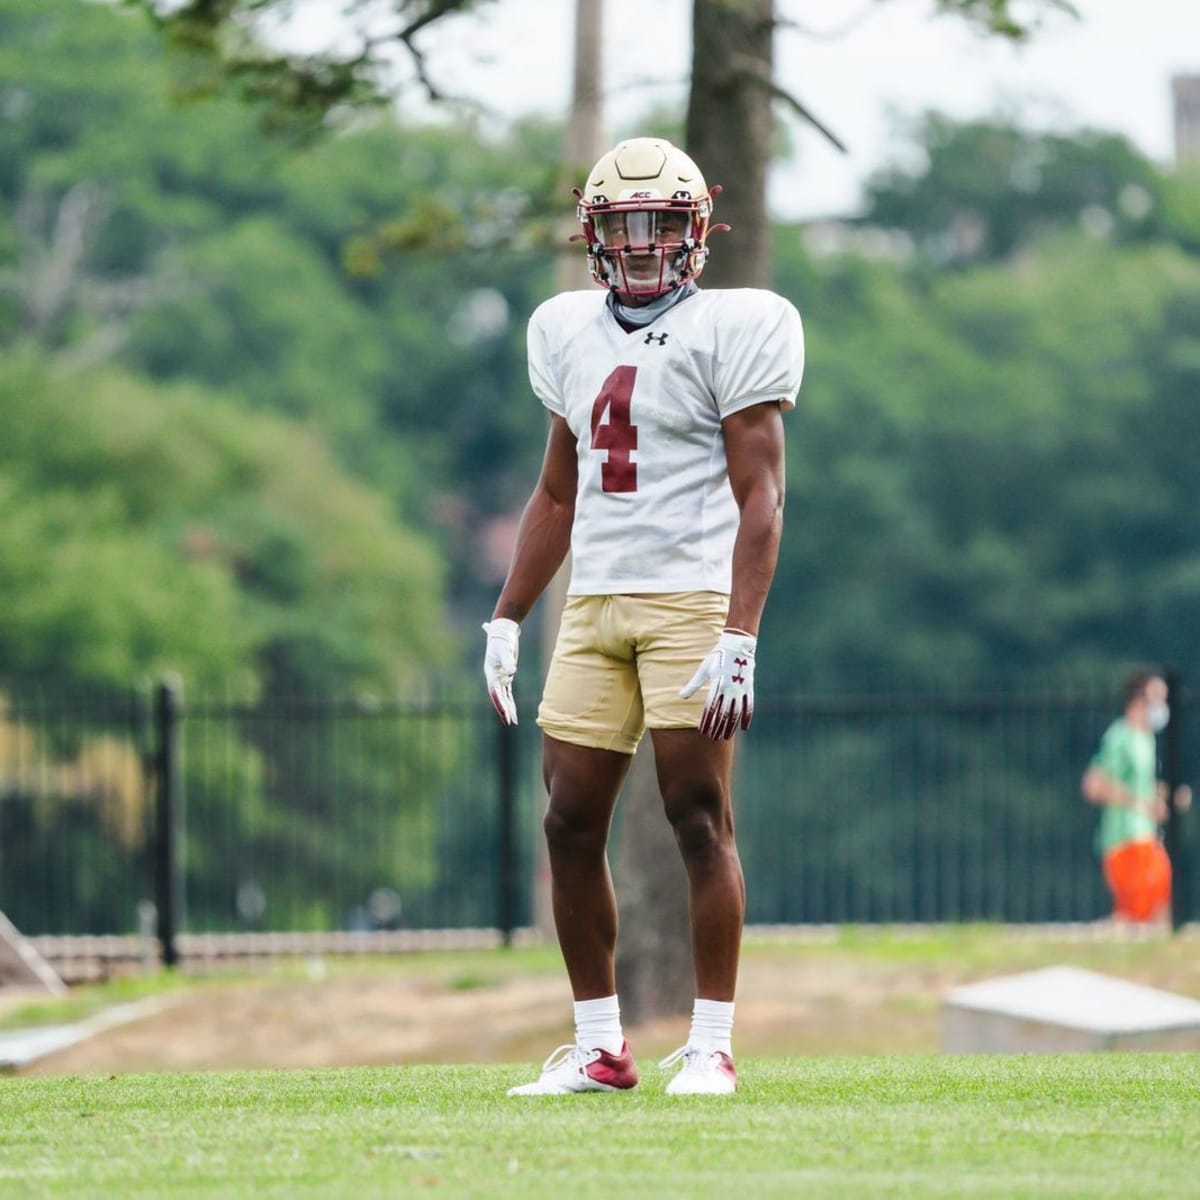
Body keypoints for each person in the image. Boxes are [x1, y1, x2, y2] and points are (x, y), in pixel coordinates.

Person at [482, 137, 804, 1096]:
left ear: (695, 230)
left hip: (690, 597)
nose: (641, 244)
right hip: (595, 602)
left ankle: (710, 1042)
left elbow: (764, 501)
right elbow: (554, 493)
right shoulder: (567, 330)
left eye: (659, 225)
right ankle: (599, 1044)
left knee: (698, 819)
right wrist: (507, 615)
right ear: (595, 235)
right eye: (623, 227)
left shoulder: (733, 327)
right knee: (567, 824)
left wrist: (740, 634)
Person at [1081, 669, 1191, 924]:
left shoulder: (1146, 739)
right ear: (1139, 699)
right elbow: (1094, 785)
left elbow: (1140, 785)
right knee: (1139, 913)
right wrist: (1142, 805)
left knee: (1158, 907)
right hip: (1125, 837)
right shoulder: (1120, 736)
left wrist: (1168, 796)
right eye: (1158, 697)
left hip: (1146, 835)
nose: (1163, 705)